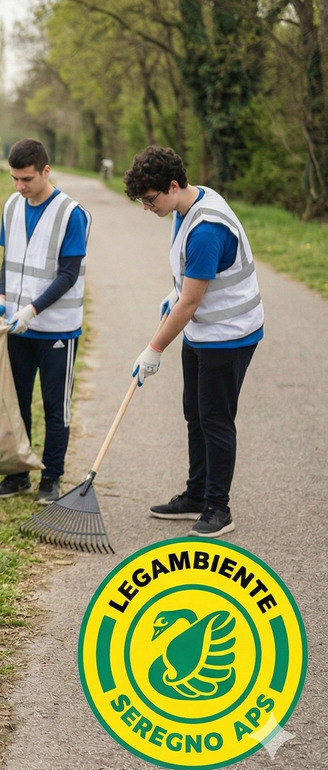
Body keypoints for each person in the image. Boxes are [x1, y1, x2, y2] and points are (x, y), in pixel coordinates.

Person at [124, 146, 263, 538]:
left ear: (172, 185)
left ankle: (219, 508)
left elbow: (189, 304)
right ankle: (197, 494)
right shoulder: (185, 205)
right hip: (204, 331)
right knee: (194, 412)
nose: (148, 208)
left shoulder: (206, 228)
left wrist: (154, 349)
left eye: (150, 200)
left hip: (230, 334)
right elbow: (188, 287)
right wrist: (176, 292)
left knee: (215, 418)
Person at [0, 138, 90, 505]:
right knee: (17, 402)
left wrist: (33, 310)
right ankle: (18, 474)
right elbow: (8, 261)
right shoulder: (12, 206)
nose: (20, 186)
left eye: (27, 178)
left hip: (57, 329)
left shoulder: (71, 213)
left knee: (54, 406)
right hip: (16, 327)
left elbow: (69, 274)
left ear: (46, 170)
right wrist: (1, 297)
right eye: (14, 178)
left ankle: (52, 477)